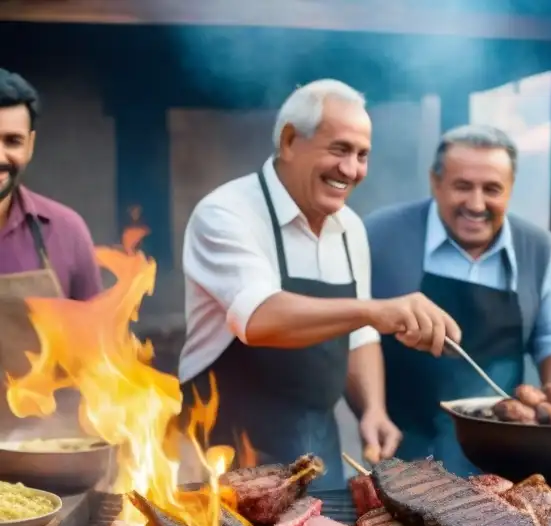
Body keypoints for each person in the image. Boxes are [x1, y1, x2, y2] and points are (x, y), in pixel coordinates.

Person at [178, 80, 460, 488]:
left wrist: (373, 410)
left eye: (362, 155)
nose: (351, 169)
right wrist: (376, 310)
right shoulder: (226, 214)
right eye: (339, 149)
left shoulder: (349, 229)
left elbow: (359, 336)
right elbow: (259, 318)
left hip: (318, 455)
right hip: (223, 456)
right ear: (290, 140)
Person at [364, 125, 551, 475]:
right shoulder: (379, 235)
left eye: (492, 189)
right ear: (435, 182)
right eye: (462, 186)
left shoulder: (539, 248)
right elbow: (355, 334)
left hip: (502, 456)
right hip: (400, 447)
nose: (476, 204)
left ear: (510, 189)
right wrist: (370, 409)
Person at [0, 69, 103, 428]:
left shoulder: (65, 229)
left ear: (30, 144)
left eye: (11, 141)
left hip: (45, 452)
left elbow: (98, 354)